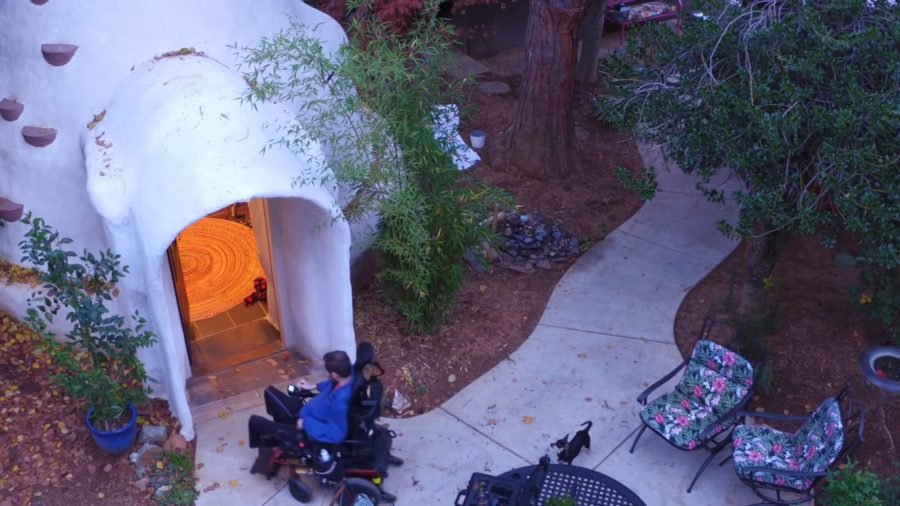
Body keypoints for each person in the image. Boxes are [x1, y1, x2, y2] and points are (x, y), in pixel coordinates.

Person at [248, 350, 354, 448]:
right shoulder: (348, 376)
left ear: (335, 375)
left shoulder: (341, 403)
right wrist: (312, 386)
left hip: (307, 431)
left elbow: (336, 435)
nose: (327, 375)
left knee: (254, 421)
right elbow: (330, 384)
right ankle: (279, 434)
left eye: (328, 372)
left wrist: (305, 423)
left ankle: (280, 442)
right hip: (305, 414)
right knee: (269, 393)